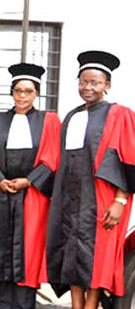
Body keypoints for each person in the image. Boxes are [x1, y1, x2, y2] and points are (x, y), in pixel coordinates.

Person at [46, 51, 135, 309]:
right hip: (70, 198)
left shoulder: (120, 115)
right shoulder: (72, 117)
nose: (88, 87)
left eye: (95, 82)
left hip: (102, 200)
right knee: (71, 254)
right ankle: (77, 306)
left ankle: (90, 306)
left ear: (107, 85)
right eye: (83, 81)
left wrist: (120, 199)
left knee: (96, 258)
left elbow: (128, 160)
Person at [0, 63, 61, 309]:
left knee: (29, 245)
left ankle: (24, 302)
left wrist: (29, 180)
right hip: (1, 191)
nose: (22, 95)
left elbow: (52, 157)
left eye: (28, 91)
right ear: (12, 92)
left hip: (32, 194)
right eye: (18, 90)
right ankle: (3, 300)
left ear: (36, 94)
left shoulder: (49, 121)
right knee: (1, 242)